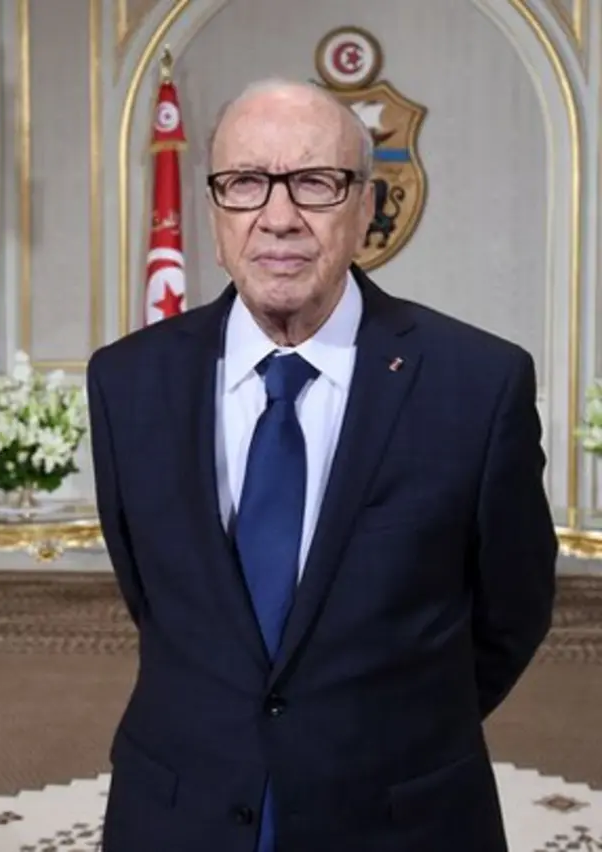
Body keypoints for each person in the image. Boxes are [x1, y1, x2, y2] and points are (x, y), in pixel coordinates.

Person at [87, 78, 557, 852]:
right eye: (245, 183)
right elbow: (155, 600)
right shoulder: (127, 381)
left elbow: (513, 611)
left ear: (366, 207)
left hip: (400, 816)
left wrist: (386, 726)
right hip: (178, 808)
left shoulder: (478, 384)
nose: (279, 217)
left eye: (315, 182)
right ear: (213, 211)